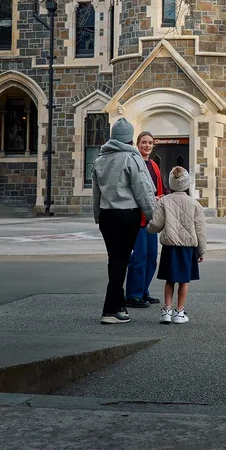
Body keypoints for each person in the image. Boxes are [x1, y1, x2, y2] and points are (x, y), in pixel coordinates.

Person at [91, 118, 157, 324]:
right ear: (130, 138)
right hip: (127, 214)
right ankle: (110, 311)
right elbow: (143, 190)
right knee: (121, 261)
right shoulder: (132, 158)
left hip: (106, 215)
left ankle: (119, 306)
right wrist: (154, 215)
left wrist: (97, 216)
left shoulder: (100, 159)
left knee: (115, 260)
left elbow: (95, 193)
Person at [146, 166, 207, 324]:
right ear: (187, 183)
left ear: (171, 183)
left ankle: (166, 310)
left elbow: (156, 225)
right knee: (184, 281)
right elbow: (200, 229)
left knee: (170, 280)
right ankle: (179, 312)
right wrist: (201, 251)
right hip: (187, 248)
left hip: (170, 245)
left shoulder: (164, 201)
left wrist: (148, 226)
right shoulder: (194, 204)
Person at [124, 131, 165, 308]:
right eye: (143, 142)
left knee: (151, 258)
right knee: (139, 257)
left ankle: (143, 291)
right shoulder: (133, 163)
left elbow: (160, 190)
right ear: (137, 145)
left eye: (150, 142)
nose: (147, 145)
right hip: (137, 218)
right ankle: (133, 295)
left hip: (152, 218)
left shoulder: (155, 166)